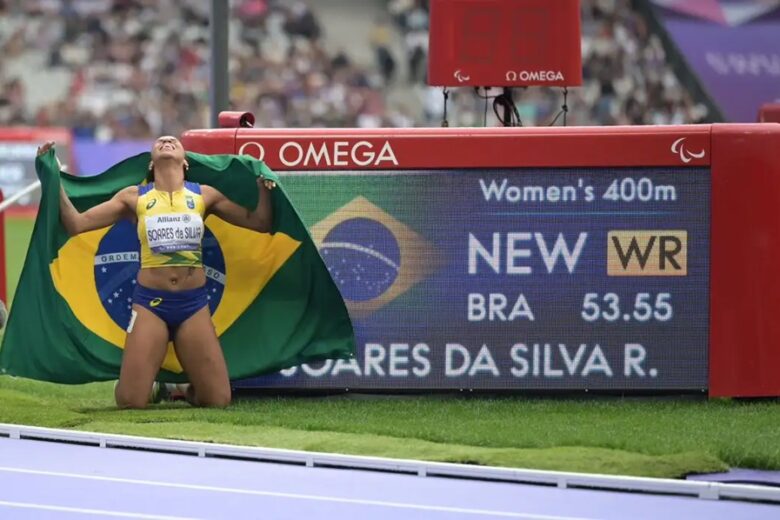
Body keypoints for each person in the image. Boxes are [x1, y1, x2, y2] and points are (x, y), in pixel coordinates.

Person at [37, 136, 276, 409]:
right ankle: (152, 385)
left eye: (173, 140)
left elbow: (260, 222)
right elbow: (77, 224)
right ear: (151, 164)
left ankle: (180, 389)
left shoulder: (204, 195)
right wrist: (52, 177)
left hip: (193, 304)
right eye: (161, 141)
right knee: (130, 401)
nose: (166, 140)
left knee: (218, 400)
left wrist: (264, 187)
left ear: (185, 162)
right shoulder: (134, 198)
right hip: (151, 304)